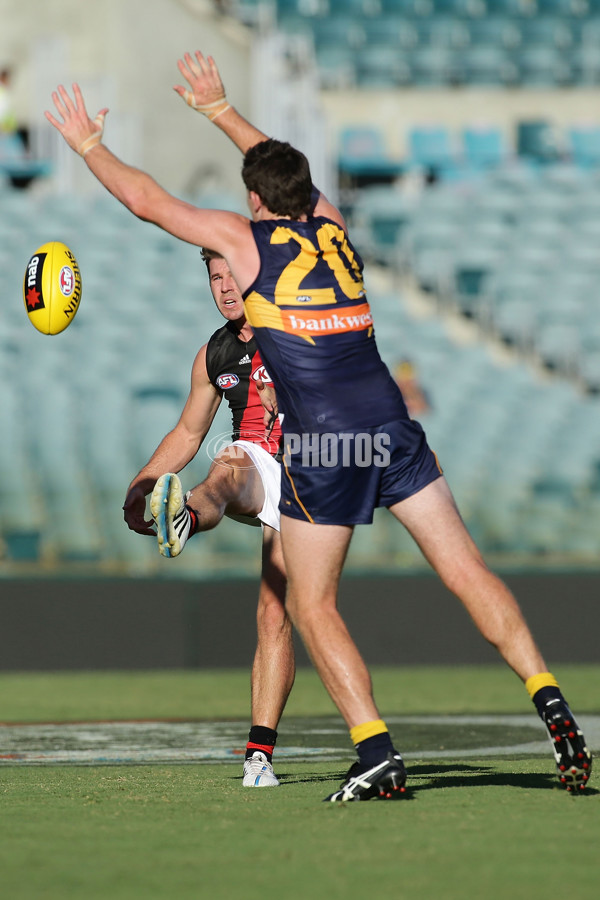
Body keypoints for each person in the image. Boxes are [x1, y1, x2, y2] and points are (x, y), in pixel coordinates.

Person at [46, 52, 592, 799]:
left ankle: (376, 753)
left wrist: (87, 148)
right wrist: (221, 113)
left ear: (254, 201)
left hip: (326, 443)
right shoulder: (336, 229)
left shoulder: (248, 243)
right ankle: (552, 704)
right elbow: (290, 179)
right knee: (465, 570)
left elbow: (148, 201)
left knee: (308, 604)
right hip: (392, 430)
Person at [122, 248, 294, 788]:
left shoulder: (293, 330)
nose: (223, 286)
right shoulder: (213, 355)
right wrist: (143, 483)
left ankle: (260, 757)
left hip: (311, 472)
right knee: (228, 460)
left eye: (232, 274)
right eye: (214, 277)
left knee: (275, 615)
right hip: (253, 468)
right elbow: (187, 433)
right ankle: (185, 516)